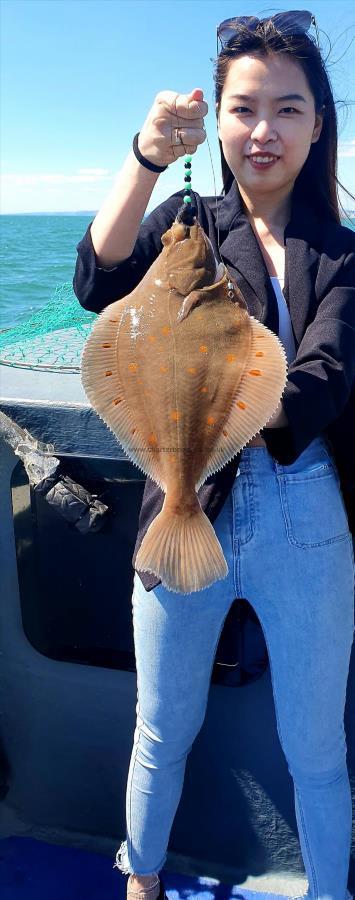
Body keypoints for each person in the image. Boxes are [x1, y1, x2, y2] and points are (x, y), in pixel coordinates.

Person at [73, 12, 355, 900]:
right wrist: (149, 154)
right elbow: (96, 280)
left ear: (320, 123)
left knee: (315, 747)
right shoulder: (185, 222)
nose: (262, 130)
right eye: (242, 109)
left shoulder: (343, 253)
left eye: (287, 108)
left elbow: (322, 374)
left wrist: (222, 391)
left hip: (302, 510)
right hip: (180, 493)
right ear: (219, 122)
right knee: (160, 726)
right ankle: (141, 878)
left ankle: (329, 890)